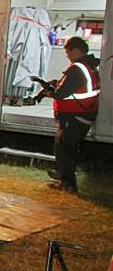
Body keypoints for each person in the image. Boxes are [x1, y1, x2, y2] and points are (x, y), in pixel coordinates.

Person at [43, 36, 100, 194]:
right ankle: (64, 175)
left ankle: (67, 183)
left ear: (76, 50)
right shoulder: (89, 67)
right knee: (68, 147)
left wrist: (51, 92)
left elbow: (62, 93)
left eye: (68, 52)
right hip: (83, 114)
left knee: (65, 148)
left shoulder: (77, 69)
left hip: (74, 116)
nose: (67, 56)